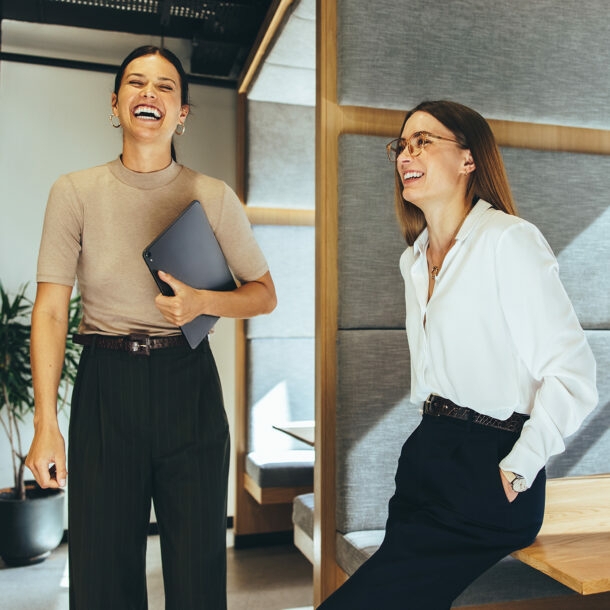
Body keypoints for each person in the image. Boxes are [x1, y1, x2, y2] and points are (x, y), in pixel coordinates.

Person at [25, 45, 276, 610]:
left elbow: (263, 295)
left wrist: (202, 302)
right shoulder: (74, 192)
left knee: (196, 573)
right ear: (115, 104)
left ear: (182, 112)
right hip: (105, 386)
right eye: (136, 83)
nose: (149, 94)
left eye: (165, 87)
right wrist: (46, 423)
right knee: (101, 573)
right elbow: (48, 309)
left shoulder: (211, 197)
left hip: (188, 384)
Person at [319, 100, 597, 609]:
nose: (407, 152)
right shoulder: (414, 260)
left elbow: (574, 375)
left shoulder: (509, 241)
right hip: (427, 453)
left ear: (469, 160)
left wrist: (519, 467)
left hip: (490, 464)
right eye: (401, 145)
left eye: (424, 140)